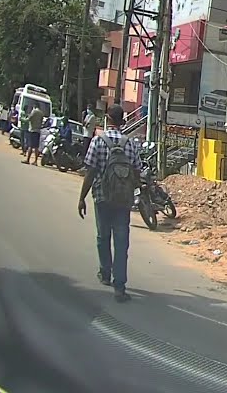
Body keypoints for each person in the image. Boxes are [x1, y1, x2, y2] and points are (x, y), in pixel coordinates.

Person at [77, 106, 142, 303]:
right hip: (123, 200)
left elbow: (90, 172)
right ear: (122, 121)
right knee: (122, 244)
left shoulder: (98, 141)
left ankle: (105, 273)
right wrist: (132, 192)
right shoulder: (130, 144)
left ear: (107, 119)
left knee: (102, 236)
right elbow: (137, 174)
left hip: (102, 197)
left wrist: (81, 198)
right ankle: (119, 287)